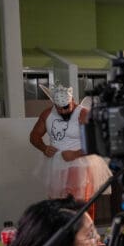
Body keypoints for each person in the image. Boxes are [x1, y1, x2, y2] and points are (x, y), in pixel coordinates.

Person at [29, 85, 111, 219]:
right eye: (59, 108)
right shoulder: (47, 114)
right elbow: (34, 136)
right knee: (57, 205)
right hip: (56, 164)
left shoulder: (83, 114)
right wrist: (44, 148)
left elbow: (97, 141)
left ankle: (85, 230)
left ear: (72, 101)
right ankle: (63, 232)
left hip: (80, 163)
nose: (62, 111)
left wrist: (75, 154)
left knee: (81, 204)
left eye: (66, 107)